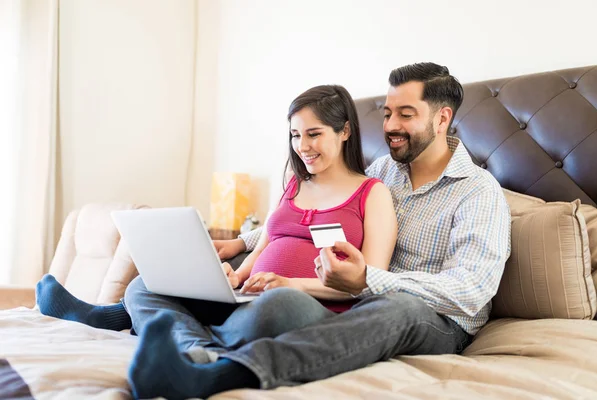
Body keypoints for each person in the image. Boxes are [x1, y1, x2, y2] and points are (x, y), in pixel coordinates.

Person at [118, 62, 512, 400]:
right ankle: (192, 347)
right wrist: (243, 242)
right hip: (364, 300)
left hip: (436, 317)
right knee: (149, 284)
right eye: (388, 113)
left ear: (442, 118)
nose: (390, 125)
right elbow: (319, 218)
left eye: (405, 114)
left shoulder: (478, 191)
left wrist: (370, 280)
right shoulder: (381, 172)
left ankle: (220, 373)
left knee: (401, 306)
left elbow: (470, 291)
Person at [34, 85, 398, 394]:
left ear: (345, 131)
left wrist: (292, 285)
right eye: (295, 135)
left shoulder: (372, 193)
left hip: (306, 306)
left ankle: (161, 330)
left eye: (314, 133)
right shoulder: (294, 184)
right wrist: (236, 277)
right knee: (146, 285)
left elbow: (369, 281)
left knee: (277, 307)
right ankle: (195, 348)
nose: (302, 145)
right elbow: (268, 242)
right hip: (249, 296)